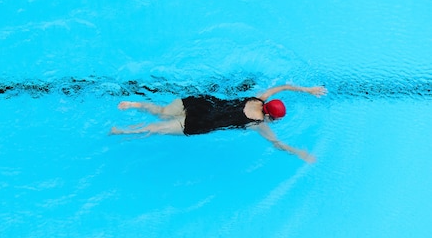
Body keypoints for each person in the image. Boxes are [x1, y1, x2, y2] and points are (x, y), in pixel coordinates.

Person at [110, 85, 327, 163]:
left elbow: (283, 87)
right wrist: (299, 153)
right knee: (155, 129)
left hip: (199, 104)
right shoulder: (257, 124)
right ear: (271, 117)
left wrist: (307, 90)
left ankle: (133, 104)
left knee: (162, 112)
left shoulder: (259, 97)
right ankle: (119, 131)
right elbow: (277, 143)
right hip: (199, 123)